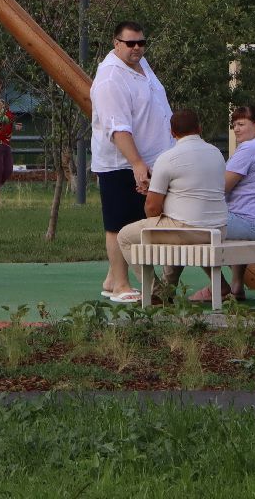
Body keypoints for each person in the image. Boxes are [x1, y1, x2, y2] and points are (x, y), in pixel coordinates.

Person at [90, 20, 175, 300]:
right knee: (119, 225)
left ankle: (112, 276)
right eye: (130, 44)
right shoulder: (110, 78)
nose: (137, 48)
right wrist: (137, 162)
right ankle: (121, 285)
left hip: (153, 159)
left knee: (140, 222)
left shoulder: (141, 65)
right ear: (116, 43)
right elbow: (118, 128)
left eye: (141, 43)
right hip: (121, 163)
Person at [114, 108, 229, 303]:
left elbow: (152, 208)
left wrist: (153, 194)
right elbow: (193, 190)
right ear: (199, 128)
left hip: (187, 229)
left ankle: (155, 291)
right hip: (218, 228)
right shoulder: (216, 154)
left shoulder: (168, 158)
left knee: (125, 236)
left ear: (172, 133)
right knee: (174, 228)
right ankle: (168, 290)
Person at [192, 105, 255, 303]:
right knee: (235, 218)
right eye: (233, 125)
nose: (236, 129)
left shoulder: (250, 148)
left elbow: (222, 187)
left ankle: (219, 287)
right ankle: (236, 286)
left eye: (241, 124)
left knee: (193, 224)